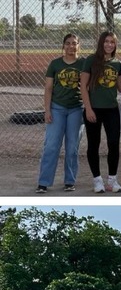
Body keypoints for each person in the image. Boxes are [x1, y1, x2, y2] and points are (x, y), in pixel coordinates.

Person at [37, 33, 85, 193]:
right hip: (57, 108)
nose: (71, 46)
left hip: (76, 109)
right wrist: (47, 110)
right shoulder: (55, 64)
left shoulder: (83, 64)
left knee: (72, 147)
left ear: (79, 46)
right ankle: (43, 182)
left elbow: (88, 86)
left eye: (74, 43)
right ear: (63, 46)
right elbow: (48, 88)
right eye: (68, 43)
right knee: (51, 146)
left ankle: (69, 181)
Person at [80, 31, 121, 193]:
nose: (109, 45)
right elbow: (83, 87)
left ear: (115, 44)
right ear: (101, 43)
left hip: (111, 109)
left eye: (112, 42)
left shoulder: (117, 63)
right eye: (106, 42)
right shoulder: (91, 60)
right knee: (94, 144)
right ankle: (97, 180)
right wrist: (88, 109)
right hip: (94, 109)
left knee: (114, 144)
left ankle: (112, 180)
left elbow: (120, 87)